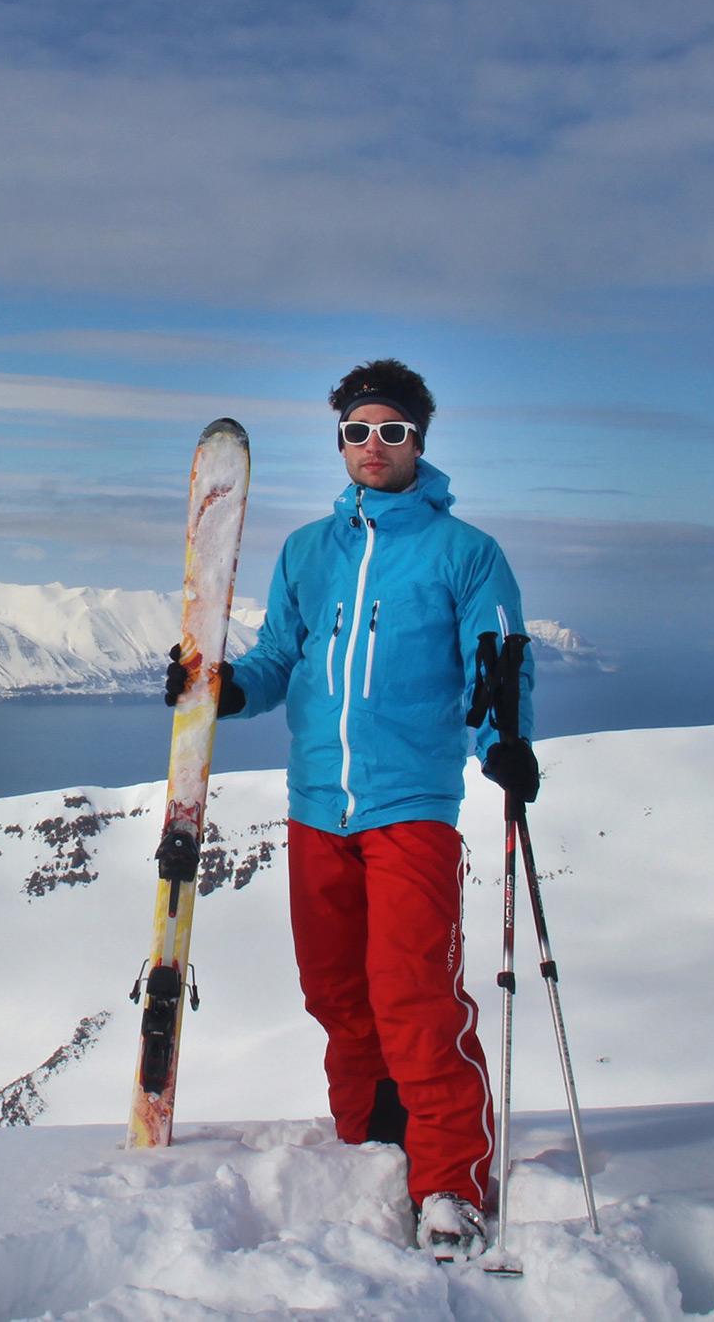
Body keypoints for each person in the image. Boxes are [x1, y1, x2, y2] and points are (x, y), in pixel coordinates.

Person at [167, 357, 537, 1261]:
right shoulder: (307, 552)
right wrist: (218, 691)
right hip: (316, 806)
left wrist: (506, 746)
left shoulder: (466, 554)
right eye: (359, 432)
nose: (375, 447)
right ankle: (369, 1143)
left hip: (409, 803)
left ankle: (449, 1179)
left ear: (420, 441)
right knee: (336, 992)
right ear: (339, 441)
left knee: (413, 991)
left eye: (393, 432)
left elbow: (498, 666)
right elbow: (276, 658)